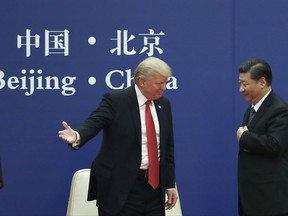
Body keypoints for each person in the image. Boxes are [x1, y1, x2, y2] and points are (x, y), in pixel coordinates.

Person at [59, 57, 178, 216]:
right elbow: (95, 121)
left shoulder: (164, 104)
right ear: (141, 81)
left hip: (154, 189)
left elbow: (167, 148)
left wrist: (169, 185)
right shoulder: (117, 100)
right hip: (121, 187)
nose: (164, 87)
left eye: (166, 82)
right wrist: (78, 134)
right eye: (159, 83)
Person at [236, 58, 288, 216]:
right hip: (251, 198)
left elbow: (275, 145)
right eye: (240, 83)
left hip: (269, 200)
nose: (241, 89)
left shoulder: (279, 110)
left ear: (262, 82)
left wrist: (245, 137)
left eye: (245, 84)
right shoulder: (250, 109)